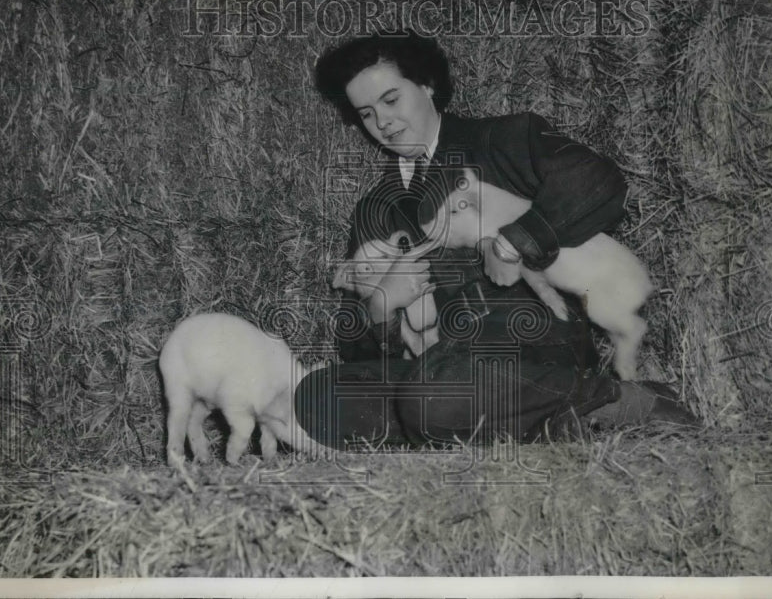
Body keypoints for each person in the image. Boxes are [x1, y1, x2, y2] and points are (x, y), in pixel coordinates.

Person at [295, 32, 697, 451]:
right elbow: (355, 346)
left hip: (530, 351)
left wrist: (513, 242)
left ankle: (626, 399)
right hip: (440, 374)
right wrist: (382, 308)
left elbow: (596, 181)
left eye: (391, 100)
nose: (383, 123)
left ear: (428, 85)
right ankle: (545, 425)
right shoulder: (374, 208)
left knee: (434, 394)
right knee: (316, 396)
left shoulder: (501, 139)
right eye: (366, 113)